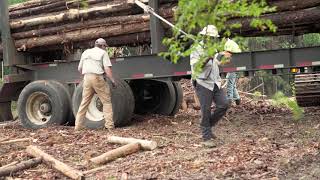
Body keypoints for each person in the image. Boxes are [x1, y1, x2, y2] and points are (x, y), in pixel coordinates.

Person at [190, 25, 230, 148]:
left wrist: (222, 60)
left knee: (224, 104)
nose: (212, 40)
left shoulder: (213, 48)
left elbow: (215, 64)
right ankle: (206, 137)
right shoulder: (196, 48)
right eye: (210, 37)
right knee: (206, 110)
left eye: (214, 38)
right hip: (203, 83)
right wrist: (208, 57)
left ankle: (207, 126)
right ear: (204, 37)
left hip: (215, 82)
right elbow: (197, 67)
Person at [75, 38, 116, 131]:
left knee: (84, 103)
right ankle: (109, 126)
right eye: (105, 46)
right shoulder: (103, 53)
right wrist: (112, 80)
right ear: (102, 46)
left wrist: (86, 77)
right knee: (106, 102)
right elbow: (107, 69)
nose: (105, 48)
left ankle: (78, 126)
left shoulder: (85, 52)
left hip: (86, 78)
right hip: (97, 77)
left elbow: (79, 68)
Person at [224, 39, 242, 105]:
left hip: (234, 66)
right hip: (237, 64)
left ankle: (229, 101)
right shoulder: (231, 42)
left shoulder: (228, 43)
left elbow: (227, 55)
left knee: (229, 82)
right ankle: (238, 100)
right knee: (232, 83)